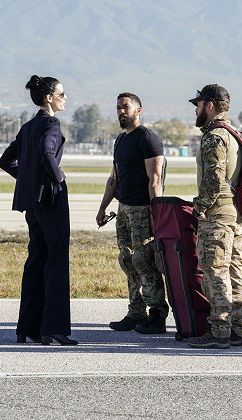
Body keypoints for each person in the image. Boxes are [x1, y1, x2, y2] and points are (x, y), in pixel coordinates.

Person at [0, 75, 77, 346]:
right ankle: (53, 329)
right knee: (56, 261)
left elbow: (5, 161)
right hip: (51, 200)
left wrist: (28, 179)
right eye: (62, 94)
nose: (65, 98)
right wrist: (58, 179)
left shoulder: (29, 126)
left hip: (31, 203)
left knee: (35, 261)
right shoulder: (51, 123)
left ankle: (27, 328)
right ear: (49, 98)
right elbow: (47, 152)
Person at [97, 92, 169, 335]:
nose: (121, 111)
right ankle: (135, 312)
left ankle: (157, 314)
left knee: (144, 261)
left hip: (143, 209)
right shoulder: (120, 140)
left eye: (125, 107)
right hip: (124, 208)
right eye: (118, 107)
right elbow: (114, 178)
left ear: (138, 110)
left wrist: (156, 213)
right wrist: (102, 207)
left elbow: (155, 179)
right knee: (127, 260)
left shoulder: (148, 139)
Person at [184, 84, 242, 349]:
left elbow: (213, 178)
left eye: (198, 104)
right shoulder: (234, 134)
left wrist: (200, 207)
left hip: (217, 215)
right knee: (234, 272)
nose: (196, 110)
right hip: (233, 213)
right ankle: (236, 329)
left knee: (215, 272)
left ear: (209, 106)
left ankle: (219, 331)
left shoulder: (215, 136)